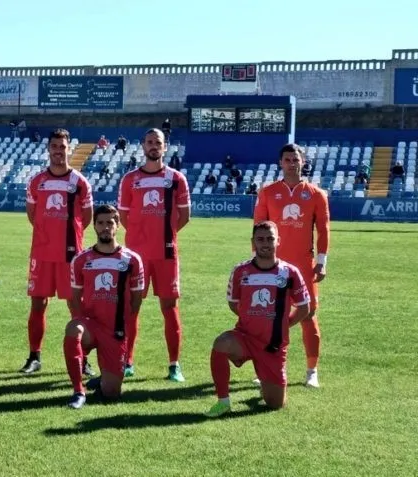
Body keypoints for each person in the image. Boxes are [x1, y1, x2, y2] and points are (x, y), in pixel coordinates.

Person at [204, 221, 310, 417]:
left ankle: (266, 384)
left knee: (275, 405)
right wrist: (252, 317)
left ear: (278, 241)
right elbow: (234, 303)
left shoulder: (290, 272)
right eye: (260, 239)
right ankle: (223, 402)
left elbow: (304, 307)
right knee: (221, 343)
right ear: (253, 242)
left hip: (273, 346)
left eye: (270, 239)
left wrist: (283, 324)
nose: (265, 243)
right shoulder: (240, 271)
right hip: (245, 338)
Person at [117, 128, 191, 382]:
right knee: (131, 307)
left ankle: (174, 365)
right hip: (135, 257)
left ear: (165, 146)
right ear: (142, 146)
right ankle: (127, 360)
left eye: (157, 142)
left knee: (170, 307)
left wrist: (164, 234)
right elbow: (124, 216)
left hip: (166, 253)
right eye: (149, 142)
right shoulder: (129, 179)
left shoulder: (177, 178)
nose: (153, 146)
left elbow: (184, 216)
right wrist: (140, 236)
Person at [253, 143, 330, 388]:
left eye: (295, 159)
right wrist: (257, 260)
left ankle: (311, 371)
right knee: (270, 318)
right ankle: (269, 367)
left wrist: (321, 262)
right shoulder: (267, 192)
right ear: (280, 163)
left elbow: (324, 229)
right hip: (274, 265)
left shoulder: (316, 194)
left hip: (304, 266)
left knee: (308, 316)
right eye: (287, 159)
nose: (291, 163)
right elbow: (258, 227)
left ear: (302, 162)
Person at [20, 128, 94, 375]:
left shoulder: (79, 182)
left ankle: (83, 359)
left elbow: (86, 217)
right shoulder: (37, 181)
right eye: (54, 146)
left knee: (76, 305)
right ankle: (34, 356)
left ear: (68, 148)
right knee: (38, 304)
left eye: (62, 147)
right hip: (41, 253)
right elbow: (32, 215)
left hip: (70, 256)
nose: (58, 151)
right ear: (48, 149)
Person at [63, 205, 144, 409]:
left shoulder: (132, 260)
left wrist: (120, 323)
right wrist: (82, 321)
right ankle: (78, 391)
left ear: (118, 226)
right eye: (101, 223)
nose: (105, 227)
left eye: (110, 222)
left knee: (111, 393)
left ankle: (103, 380)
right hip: (91, 325)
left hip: (115, 330)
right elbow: (74, 298)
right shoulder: (81, 259)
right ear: (95, 226)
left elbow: (136, 300)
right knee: (73, 329)